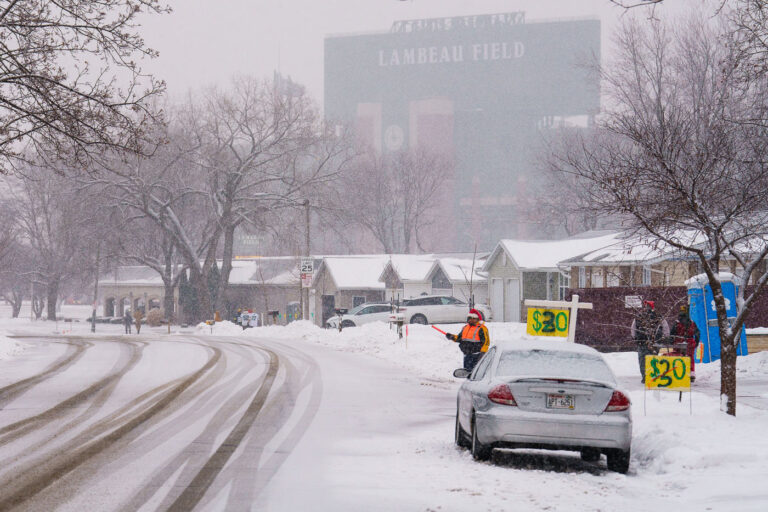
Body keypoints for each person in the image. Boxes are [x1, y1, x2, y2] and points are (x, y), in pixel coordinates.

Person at [631, 300, 669, 383]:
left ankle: (645, 377)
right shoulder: (659, 316)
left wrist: (635, 338)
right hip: (654, 342)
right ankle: (652, 375)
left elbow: (633, 328)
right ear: (653, 307)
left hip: (642, 342)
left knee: (642, 360)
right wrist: (665, 338)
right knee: (653, 358)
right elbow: (665, 328)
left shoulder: (639, 316)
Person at [672, 305, 700, 382]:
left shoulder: (676, 323)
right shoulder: (692, 323)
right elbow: (697, 333)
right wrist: (696, 342)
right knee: (690, 357)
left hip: (678, 342)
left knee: (678, 357)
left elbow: (672, 334)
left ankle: (679, 372)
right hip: (690, 342)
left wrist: (672, 342)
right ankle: (691, 373)